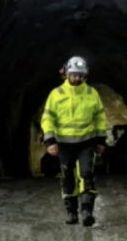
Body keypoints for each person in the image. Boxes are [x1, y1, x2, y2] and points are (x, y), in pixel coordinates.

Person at [41, 56, 108, 227]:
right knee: (67, 176)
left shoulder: (92, 94)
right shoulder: (56, 95)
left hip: (86, 142)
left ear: (85, 75)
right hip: (64, 144)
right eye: (74, 75)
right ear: (67, 74)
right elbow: (48, 118)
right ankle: (71, 211)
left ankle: (87, 211)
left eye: (80, 75)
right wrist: (50, 140)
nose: (77, 78)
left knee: (87, 174)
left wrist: (101, 140)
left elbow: (100, 117)